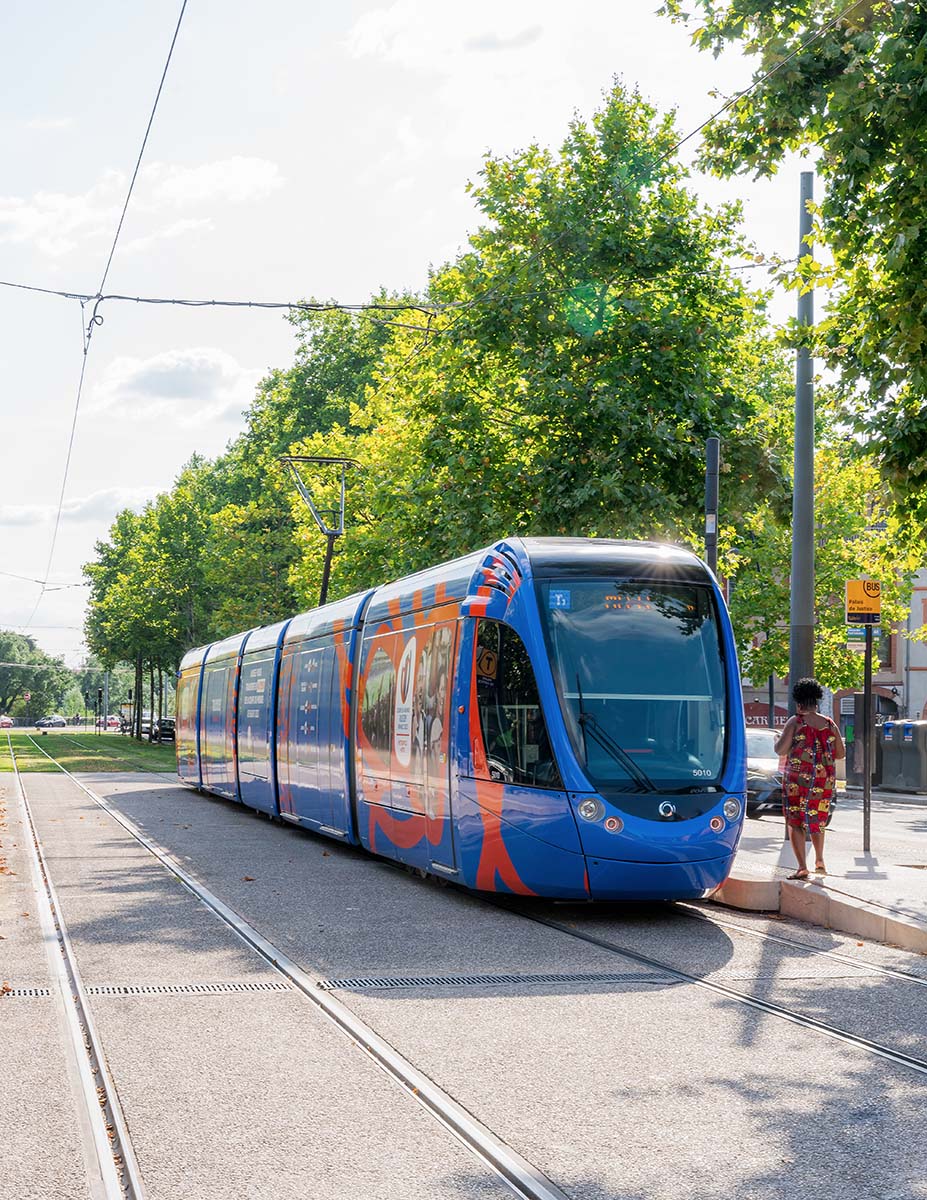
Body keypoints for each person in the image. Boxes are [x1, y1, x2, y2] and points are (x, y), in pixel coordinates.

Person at [775, 677, 845, 879]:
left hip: (797, 781)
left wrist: (778, 740)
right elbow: (840, 753)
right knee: (817, 819)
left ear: (798, 702)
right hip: (823, 781)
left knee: (795, 821)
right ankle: (820, 860)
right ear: (817, 701)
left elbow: (781, 749)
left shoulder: (796, 722)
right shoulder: (830, 725)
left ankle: (802, 867)